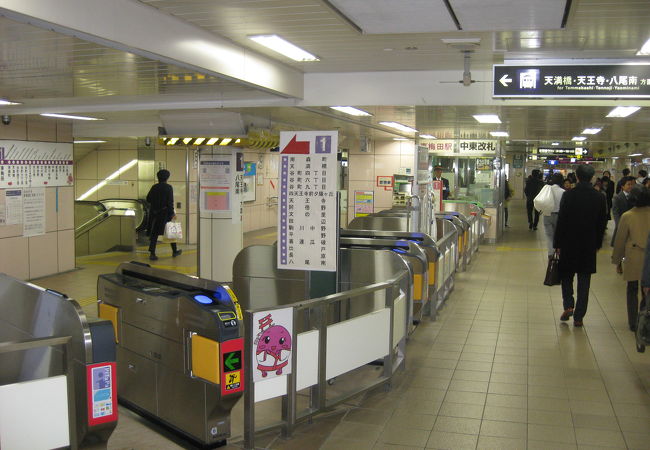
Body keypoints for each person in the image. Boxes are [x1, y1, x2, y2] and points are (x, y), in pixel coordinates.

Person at [554, 164, 608, 327]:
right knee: (584, 281)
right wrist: (598, 243)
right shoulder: (599, 197)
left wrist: (557, 243)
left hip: (569, 243)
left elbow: (561, 220)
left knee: (566, 276)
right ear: (592, 178)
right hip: (588, 244)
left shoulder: (569, 195)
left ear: (576, 177)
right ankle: (579, 317)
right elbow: (601, 223)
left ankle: (568, 305)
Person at [612, 186, 650, 331]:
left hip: (633, 255)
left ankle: (633, 322)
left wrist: (617, 260)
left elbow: (620, 239)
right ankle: (644, 316)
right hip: (649, 258)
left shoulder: (627, 215)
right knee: (646, 289)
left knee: (632, 288)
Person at [146, 169, 182, 261]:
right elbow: (170, 202)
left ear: (158, 177)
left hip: (155, 214)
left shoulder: (154, 187)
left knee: (154, 234)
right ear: (167, 178)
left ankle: (152, 253)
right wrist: (172, 213)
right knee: (171, 232)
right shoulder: (168, 187)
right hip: (165, 214)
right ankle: (174, 251)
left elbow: (148, 199)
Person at [540, 173, 565, 257]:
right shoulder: (563, 192)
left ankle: (550, 253)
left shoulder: (547, 189)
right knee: (558, 235)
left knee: (549, 235)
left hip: (547, 215)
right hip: (559, 216)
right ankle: (558, 252)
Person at [611, 175, 636, 247]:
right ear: (622, 186)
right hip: (621, 224)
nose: (631, 186)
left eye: (632, 184)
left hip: (632, 224)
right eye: (628, 184)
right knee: (620, 245)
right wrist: (619, 224)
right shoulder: (617, 197)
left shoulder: (635, 196)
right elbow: (615, 212)